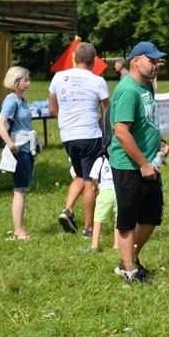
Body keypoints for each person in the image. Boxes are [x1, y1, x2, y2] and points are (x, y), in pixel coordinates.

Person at [109, 41, 168, 284]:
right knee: (128, 219)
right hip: (129, 165)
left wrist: (160, 142)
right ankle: (130, 271)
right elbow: (121, 132)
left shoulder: (147, 87)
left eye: (157, 61)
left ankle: (129, 259)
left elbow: (146, 123)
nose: (156, 65)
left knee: (151, 216)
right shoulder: (127, 90)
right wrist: (143, 163)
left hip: (148, 163)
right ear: (136, 60)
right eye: (151, 60)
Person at [48, 42, 110, 236]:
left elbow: (52, 109)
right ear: (94, 61)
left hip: (67, 135)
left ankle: (68, 209)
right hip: (90, 134)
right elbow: (107, 113)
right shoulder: (98, 81)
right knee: (91, 180)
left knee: (79, 175)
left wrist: (67, 121)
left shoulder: (58, 77)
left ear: (75, 58)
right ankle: (89, 228)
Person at [0, 66, 39, 241]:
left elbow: (26, 124)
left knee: (23, 189)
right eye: (25, 80)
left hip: (28, 147)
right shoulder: (11, 101)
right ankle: (19, 231)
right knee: (19, 191)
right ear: (15, 82)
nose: (28, 83)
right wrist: (11, 145)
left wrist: (37, 141)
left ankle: (20, 229)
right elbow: (0, 124)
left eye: (29, 79)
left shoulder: (23, 100)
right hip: (19, 149)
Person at [81, 153, 119, 252]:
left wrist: (95, 187)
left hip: (104, 193)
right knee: (117, 220)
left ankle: (95, 245)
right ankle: (117, 245)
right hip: (118, 192)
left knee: (98, 220)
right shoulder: (119, 157)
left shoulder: (100, 160)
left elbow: (94, 178)